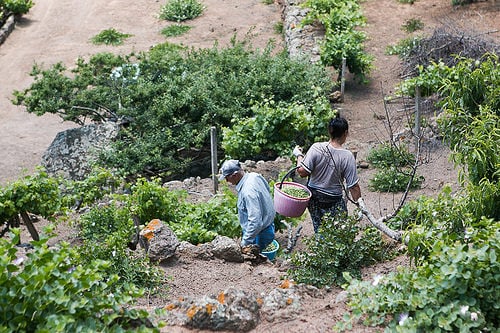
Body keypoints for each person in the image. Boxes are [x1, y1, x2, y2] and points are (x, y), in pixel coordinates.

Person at [293, 114, 366, 233]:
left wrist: (299, 155)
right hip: (333, 200)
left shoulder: (316, 148)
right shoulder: (347, 157)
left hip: (314, 198)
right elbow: (353, 186)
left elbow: (302, 172)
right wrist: (360, 206)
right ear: (345, 133)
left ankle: (321, 249)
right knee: (339, 232)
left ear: (329, 131)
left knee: (319, 230)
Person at [218, 159, 276, 251]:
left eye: (227, 178)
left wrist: (245, 242)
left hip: (258, 234)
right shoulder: (255, 176)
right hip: (267, 227)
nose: (227, 181)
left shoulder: (248, 192)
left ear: (235, 175)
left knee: (254, 260)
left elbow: (255, 222)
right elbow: (268, 190)